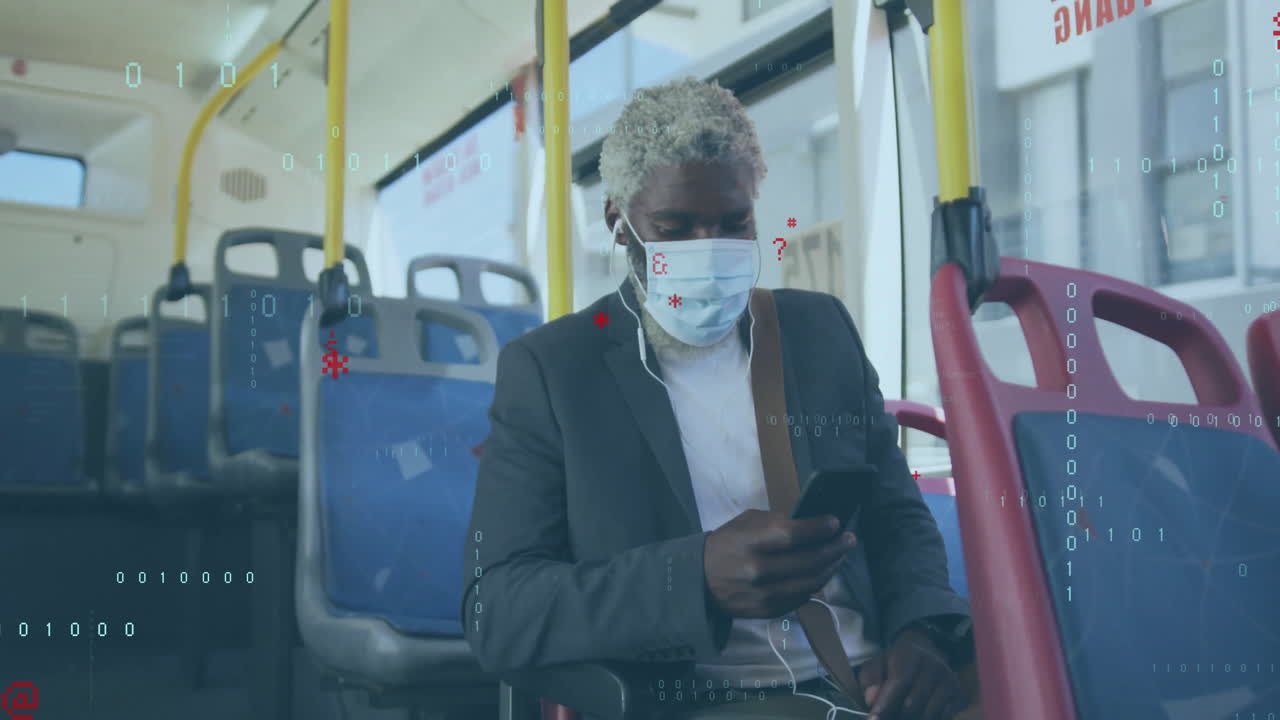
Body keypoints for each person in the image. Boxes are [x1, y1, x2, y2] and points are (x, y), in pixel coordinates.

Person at [463, 77, 976, 720]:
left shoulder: (820, 333)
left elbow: (897, 519)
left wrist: (920, 635)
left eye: (734, 224)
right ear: (620, 224)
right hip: (706, 699)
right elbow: (497, 608)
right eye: (674, 228)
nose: (709, 248)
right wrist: (693, 577)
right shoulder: (554, 371)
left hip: (868, 681)